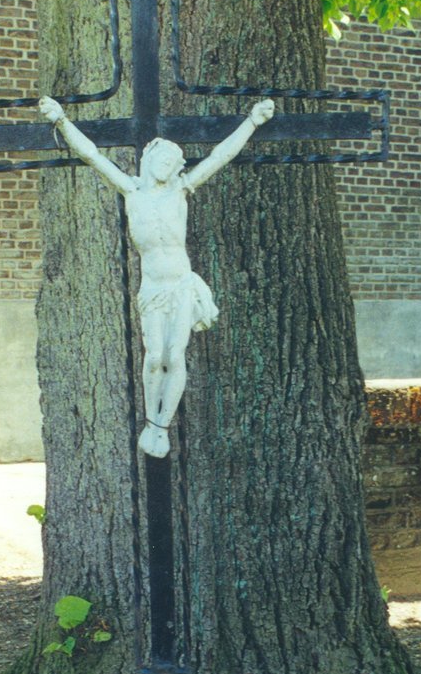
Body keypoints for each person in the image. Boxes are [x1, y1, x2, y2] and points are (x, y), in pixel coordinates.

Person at [38, 95, 275, 457]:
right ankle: (152, 423)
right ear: (148, 161)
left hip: (181, 284)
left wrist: (253, 121)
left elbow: (220, 156)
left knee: (175, 355)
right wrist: (61, 120)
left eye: (171, 161)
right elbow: (92, 155)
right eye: (160, 159)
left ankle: (162, 428)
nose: (165, 165)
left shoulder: (181, 189)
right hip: (153, 287)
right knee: (154, 357)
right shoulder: (131, 190)